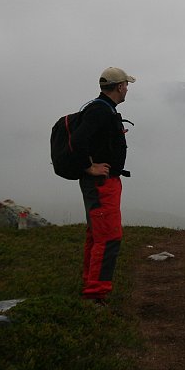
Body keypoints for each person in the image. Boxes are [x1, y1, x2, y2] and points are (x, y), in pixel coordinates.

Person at [69, 66, 135, 305]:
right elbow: (77, 140)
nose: (127, 88)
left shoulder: (101, 109)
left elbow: (91, 138)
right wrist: (89, 167)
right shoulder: (100, 111)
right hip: (100, 184)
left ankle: (91, 283)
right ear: (119, 87)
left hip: (104, 183)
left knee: (97, 235)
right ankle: (95, 294)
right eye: (126, 85)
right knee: (108, 236)